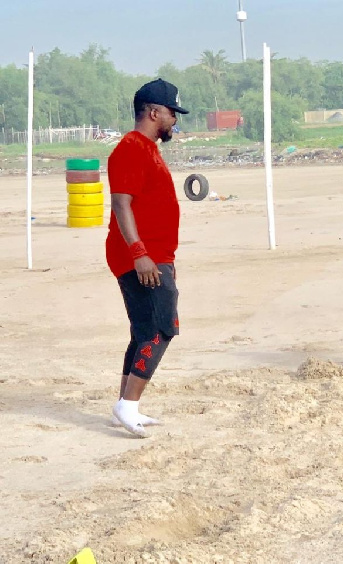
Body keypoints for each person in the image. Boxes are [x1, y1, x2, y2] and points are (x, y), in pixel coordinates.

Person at [106, 78, 189, 437]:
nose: (175, 120)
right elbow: (121, 203)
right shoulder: (130, 148)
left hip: (155, 255)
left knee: (143, 330)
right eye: (172, 113)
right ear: (153, 112)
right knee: (161, 328)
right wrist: (140, 254)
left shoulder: (148, 148)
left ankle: (126, 406)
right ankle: (127, 405)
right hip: (142, 257)